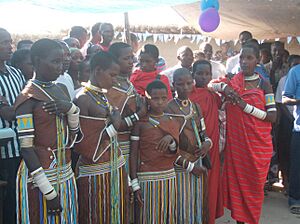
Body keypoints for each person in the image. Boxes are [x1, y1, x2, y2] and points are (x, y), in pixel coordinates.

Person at [14, 38, 81, 224]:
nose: (61, 66)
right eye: (55, 61)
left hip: (65, 171)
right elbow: (26, 148)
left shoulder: (60, 89)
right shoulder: (28, 98)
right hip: (41, 178)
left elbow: (74, 135)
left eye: (62, 61)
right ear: (36, 61)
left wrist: (70, 109)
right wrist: (49, 192)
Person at [210, 43, 277, 224]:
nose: (244, 62)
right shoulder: (232, 80)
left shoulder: (265, 85)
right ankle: (240, 221)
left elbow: (272, 116)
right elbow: (209, 85)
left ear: (258, 60)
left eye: (249, 58)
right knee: (238, 188)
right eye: (242, 58)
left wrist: (244, 106)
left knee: (254, 188)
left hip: (257, 146)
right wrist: (225, 89)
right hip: (238, 145)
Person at [74, 51, 129, 223]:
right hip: (95, 171)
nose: (114, 80)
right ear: (98, 70)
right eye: (112, 75)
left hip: (114, 166)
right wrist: (115, 125)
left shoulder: (101, 95)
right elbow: (84, 144)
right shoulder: (83, 98)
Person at [130, 80, 180, 223]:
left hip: (168, 175)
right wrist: (135, 183)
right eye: (155, 98)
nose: (160, 102)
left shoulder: (172, 121)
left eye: (163, 98)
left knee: (167, 214)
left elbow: (175, 152)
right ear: (147, 99)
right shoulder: (141, 124)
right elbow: (134, 154)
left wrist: (171, 139)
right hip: (146, 177)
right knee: (148, 216)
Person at [166, 68, 212, 224]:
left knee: (195, 203)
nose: (185, 87)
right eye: (180, 84)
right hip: (179, 165)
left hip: (197, 161)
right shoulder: (167, 109)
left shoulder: (195, 107)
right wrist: (190, 166)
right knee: (180, 205)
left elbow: (203, 133)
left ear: (193, 83)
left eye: (188, 83)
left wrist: (207, 143)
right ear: (173, 85)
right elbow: (168, 145)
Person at [190, 60, 224, 224]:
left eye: (207, 74)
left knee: (210, 183)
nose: (204, 77)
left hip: (213, 146)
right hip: (195, 147)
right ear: (193, 74)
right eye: (200, 73)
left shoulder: (213, 95)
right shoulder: (188, 94)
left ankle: (208, 219)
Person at [0, 27, 26, 224]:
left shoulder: (16, 73)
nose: (9, 46)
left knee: (20, 196)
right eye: (3, 42)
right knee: (8, 200)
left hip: (24, 144)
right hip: (5, 150)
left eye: (9, 41)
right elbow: (7, 113)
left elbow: (19, 106)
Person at [275, 55, 300, 193]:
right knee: (292, 159)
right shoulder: (293, 74)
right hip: (294, 124)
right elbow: (283, 100)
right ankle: (293, 194)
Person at [282, 64, 300, 215]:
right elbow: (285, 98)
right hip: (299, 128)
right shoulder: (295, 71)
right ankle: (295, 199)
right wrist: (299, 101)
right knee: (297, 166)